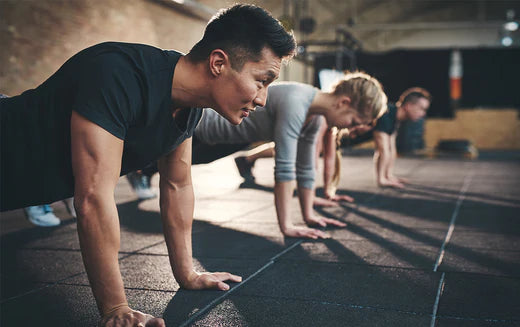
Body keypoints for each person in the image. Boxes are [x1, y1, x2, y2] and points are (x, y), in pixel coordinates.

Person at [0, 4, 296, 327]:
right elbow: (93, 197)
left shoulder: (189, 108)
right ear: (218, 63)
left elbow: (177, 184)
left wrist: (187, 274)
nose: (263, 99)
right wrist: (116, 308)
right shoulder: (119, 75)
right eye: (262, 81)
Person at [192, 71, 387, 239]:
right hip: (196, 132)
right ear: (344, 102)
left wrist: (309, 215)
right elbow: (285, 167)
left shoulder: (317, 117)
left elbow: (306, 167)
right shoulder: (296, 101)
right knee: (164, 167)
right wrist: (287, 226)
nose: (350, 128)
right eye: (353, 121)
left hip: (225, 143)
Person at [318, 87, 432, 199]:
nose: (423, 114)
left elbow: (391, 149)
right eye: (421, 108)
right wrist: (382, 179)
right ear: (408, 106)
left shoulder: (394, 117)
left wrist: (389, 176)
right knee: (316, 155)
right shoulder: (386, 113)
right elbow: (383, 150)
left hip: (338, 138)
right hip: (338, 135)